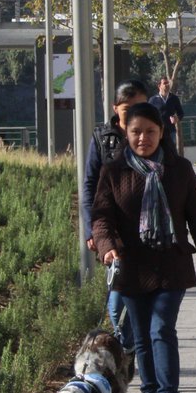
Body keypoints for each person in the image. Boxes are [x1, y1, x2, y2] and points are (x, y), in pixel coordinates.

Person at [91, 101, 196, 393]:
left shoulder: (180, 170)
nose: (143, 139)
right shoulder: (113, 172)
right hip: (131, 266)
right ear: (125, 131)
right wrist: (107, 247)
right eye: (136, 132)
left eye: (150, 132)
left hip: (171, 265)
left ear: (162, 132)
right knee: (139, 336)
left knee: (161, 328)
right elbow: (102, 218)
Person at [82, 79, 149, 356]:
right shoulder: (102, 139)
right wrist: (91, 230)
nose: (134, 113)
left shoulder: (154, 135)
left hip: (149, 233)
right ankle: (131, 353)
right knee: (117, 304)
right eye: (127, 109)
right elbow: (88, 186)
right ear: (115, 109)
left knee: (143, 302)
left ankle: (139, 355)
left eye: (140, 107)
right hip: (113, 235)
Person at [149, 77, 185, 154]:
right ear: (159, 86)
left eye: (168, 83)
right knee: (157, 153)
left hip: (170, 131)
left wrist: (176, 118)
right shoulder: (153, 100)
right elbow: (147, 115)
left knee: (170, 153)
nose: (167, 85)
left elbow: (181, 113)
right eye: (164, 83)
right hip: (157, 132)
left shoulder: (174, 98)